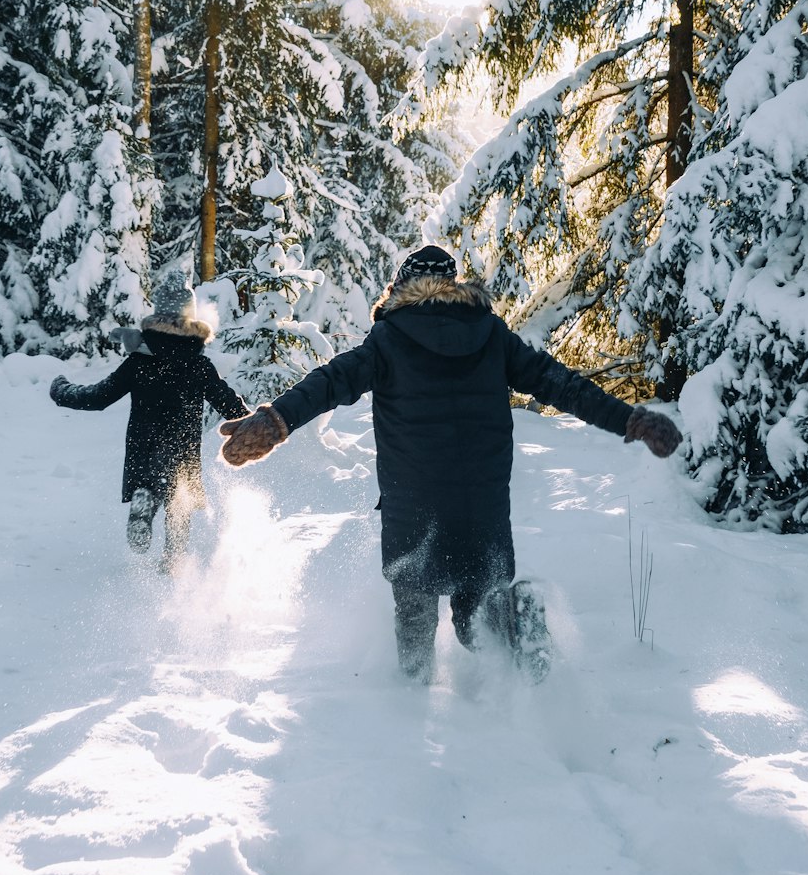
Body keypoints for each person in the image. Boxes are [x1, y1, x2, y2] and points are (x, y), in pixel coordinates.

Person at [219, 245, 682, 681]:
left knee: (415, 623)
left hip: (414, 507)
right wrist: (631, 419)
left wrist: (276, 420)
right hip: (482, 507)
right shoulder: (493, 335)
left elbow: (328, 382)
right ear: (454, 286)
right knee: (478, 620)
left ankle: (410, 713)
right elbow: (559, 383)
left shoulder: (388, 338)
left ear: (400, 289)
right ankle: (520, 628)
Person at [50, 272, 248, 569]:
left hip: (145, 448)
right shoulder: (198, 365)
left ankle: (143, 500)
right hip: (183, 452)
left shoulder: (139, 362)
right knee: (179, 505)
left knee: (150, 484)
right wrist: (260, 423)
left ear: (157, 313)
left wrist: (62, 391)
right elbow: (231, 406)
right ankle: (173, 562)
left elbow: (98, 397)